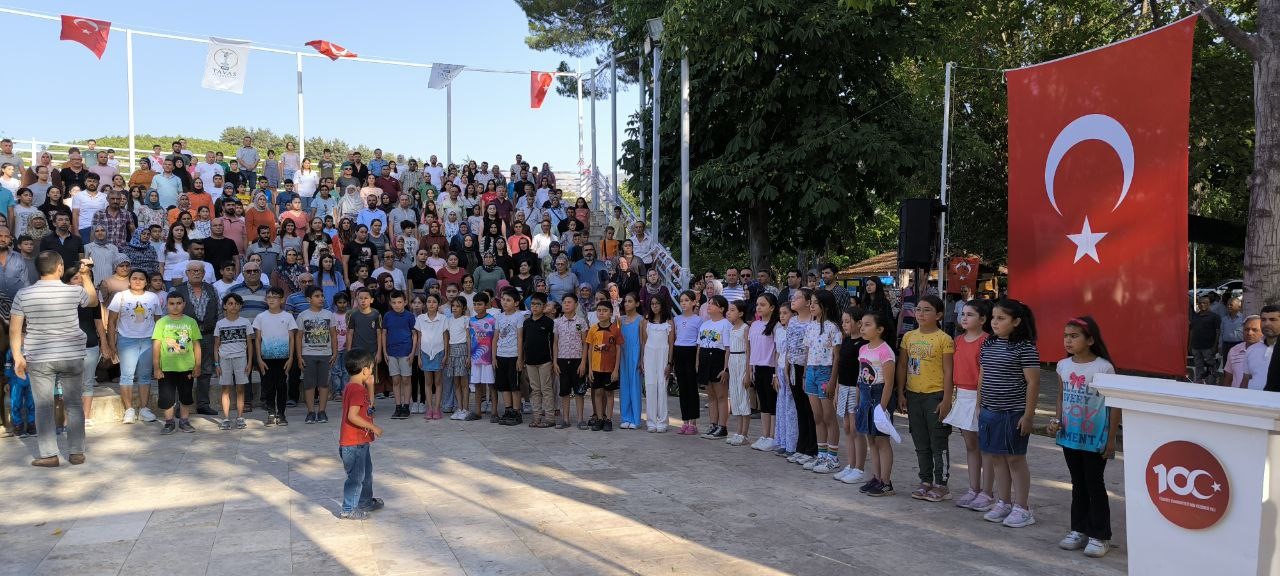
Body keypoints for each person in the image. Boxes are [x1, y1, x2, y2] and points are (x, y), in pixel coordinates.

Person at [11, 250, 99, 466]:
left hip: (39, 356)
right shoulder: (73, 291)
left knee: (43, 406)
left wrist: (17, 356)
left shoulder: (23, 294)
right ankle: (77, 452)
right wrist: (86, 275)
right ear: (60, 268)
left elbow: (15, 330)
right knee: (74, 405)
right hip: (71, 355)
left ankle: (49, 455)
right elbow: (93, 301)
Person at [1048, 316, 1118, 558]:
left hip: (1094, 438)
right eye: (1066, 335)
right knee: (1077, 483)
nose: (1068, 340)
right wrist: (1056, 422)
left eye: (1074, 335)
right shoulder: (1063, 366)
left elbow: (1113, 405)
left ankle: (1100, 535)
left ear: (1090, 340)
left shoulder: (1103, 367)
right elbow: (1060, 397)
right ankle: (1078, 529)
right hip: (1070, 436)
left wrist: (1111, 441)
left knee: (1094, 484)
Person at [975, 299, 1040, 528]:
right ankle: (1003, 502)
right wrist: (979, 404)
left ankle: (1022, 507)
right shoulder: (988, 345)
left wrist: (1029, 415)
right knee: (995, 457)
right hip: (989, 412)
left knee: (1015, 459)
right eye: (993, 317)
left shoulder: (1025, 347)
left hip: (1013, 413)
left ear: (1016, 321)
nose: (995, 322)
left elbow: (1032, 383)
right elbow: (982, 375)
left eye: (1001, 318)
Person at [897, 294, 954, 500]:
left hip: (935, 395)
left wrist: (947, 399)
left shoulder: (944, 339)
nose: (921, 313)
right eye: (918, 309)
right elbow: (903, 365)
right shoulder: (909, 337)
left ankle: (941, 484)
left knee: (938, 441)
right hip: (913, 396)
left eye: (927, 310)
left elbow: (949, 372)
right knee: (920, 441)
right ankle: (925, 480)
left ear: (938, 314)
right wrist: (901, 392)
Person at [946, 299, 993, 509]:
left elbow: (985, 373)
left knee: (986, 447)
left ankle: (987, 492)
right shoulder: (957, 341)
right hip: (963, 395)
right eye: (963, 314)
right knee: (970, 445)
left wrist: (981, 401)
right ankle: (973, 488)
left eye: (970, 314)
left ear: (982, 319)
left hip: (980, 396)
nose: (964, 318)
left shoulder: (987, 341)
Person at [107, 269, 162, 424]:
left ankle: (144, 409)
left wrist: (160, 342)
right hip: (126, 340)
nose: (138, 281)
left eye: (141, 279)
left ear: (146, 282)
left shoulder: (153, 297)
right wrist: (112, 344)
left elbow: (158, 321)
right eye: (134, 278)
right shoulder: (121, 296)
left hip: (148, 340)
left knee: (144, 376)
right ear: (129, 281)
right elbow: (111, 322)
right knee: (127, 375)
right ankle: (129, 410)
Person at [854, 309, 897, 496]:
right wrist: (858, 402)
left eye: (867, 325)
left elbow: (889, 383)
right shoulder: (863, 349)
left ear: (879, 329)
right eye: (861, 324)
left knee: (882, 440)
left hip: (879, 397)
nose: (862, 328)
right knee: (870, 439)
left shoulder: (885, 351)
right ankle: (876, 477)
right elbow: (860, 377)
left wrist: (883, 407)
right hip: (865, 396)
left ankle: (886, 482)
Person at [337, 349, 384, 520]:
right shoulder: (355, 390)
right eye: (371, 368)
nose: (371, 371)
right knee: (356, 478)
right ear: (365, 370)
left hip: (360, 443)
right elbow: (352, 416)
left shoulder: (355, 387)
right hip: (353, 444)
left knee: (366, 473)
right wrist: (374, 428)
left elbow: (369, 407)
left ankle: (365, 501)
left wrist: (371, 386)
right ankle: (348, 509)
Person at [151, 291, 201, 435]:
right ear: (166, 305)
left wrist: (197, 365)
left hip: (186, 367)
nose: (175, 306)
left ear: (184, 304)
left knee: (186, 396)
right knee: (167, 397)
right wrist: (156, 367)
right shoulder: (161, 322)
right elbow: (156, 346)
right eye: (172, 304)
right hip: (166, 368)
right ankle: (169, 422)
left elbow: (196, 345)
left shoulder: (191, 322)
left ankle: (184, 421)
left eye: (179, 303)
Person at [254, 287, 298, 427]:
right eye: (269, 297)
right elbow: (257, 339)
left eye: (275, 296)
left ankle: (282, 414)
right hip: (266, 359)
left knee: (281, 386)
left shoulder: (288, 317)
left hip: (284, 359)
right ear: (265, 299)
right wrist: (259, 359)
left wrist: (291, 358)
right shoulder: (261, 317)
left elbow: (291, 339)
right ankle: (271, 413)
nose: (271, 299)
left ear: (282, 299)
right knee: (268, 386)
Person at [297, 286, 337, 424]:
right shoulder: (303, 316)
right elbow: (299, 337)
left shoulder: (329, 314)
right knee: (309, 384)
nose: (321, 298)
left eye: (322, 296)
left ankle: (322, 411)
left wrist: (335, 352)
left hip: (325, 354)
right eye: (317, 296)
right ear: (309, 299)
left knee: (324, 384)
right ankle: (310, 412)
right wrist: (299, 356)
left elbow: (333, 335)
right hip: (308, 354)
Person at [213, 293, 252, 430]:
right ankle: (226, 418)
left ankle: (240, 417)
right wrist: (216, 364)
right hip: (224, 359)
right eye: (230, 303)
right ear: (225, 306)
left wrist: (249, 362)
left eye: (236, 303)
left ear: (240, 306)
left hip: (241, 358)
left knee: (240, 388)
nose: (233, 306)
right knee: (225, 389)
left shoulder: (245, 322)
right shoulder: (220, 324)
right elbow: (216, 345)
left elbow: (250, 344)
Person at [696, 296, 732, 439]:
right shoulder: (705, 324)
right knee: (710, 396)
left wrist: (726, 369)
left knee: (721, 395)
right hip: (705, 359)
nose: (709, 305)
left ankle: (723, 427)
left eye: (713, 304)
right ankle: (713, 424)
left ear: (722, 309)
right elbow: (699, 346)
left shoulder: (725, 324)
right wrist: (698, 363)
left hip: (718, 359)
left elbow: (728, 348)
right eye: (709, 303)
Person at [519, 292, 557, 428]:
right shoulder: (527, 323)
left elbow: (553, 343)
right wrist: (522, 359)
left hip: (545, 361)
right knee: (534, 390)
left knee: (546, 389)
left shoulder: (549, 322)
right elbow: (523, 342)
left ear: (544, 306)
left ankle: (550, 418)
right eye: (533, 304)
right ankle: (536, 418)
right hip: (530, 361)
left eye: (538, 304)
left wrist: (554, 361)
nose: (534, 307)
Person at [583, 300, 622, 432]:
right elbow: (589, 349)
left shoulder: (615, 330)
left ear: (610, 313)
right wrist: (590, 369)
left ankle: (608, 419)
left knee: (609, 393)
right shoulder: (593, 329)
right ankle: (599, 419)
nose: (601, 313)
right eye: (599, 311)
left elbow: (618, 349)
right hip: (596, 368)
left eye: (605, 311)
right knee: (598, 393)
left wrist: (616, 369)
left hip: (610, 369)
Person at [747, 294, 780, 449]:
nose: (759, 307)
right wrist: (751, 368)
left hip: (770, 369)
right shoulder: (754, 325)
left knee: (772, 402)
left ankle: (773, 436)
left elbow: (776, 351)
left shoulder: (776, 326)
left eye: (763, 304)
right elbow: (752, 348)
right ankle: (765, 434)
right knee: (763, 404)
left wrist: (775, 373)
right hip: (758, 368)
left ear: (772, 307)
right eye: (757, 304)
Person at [554, 293, 588, 429]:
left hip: (577, 360)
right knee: (564, 391)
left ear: (576, 305)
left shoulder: (580, 322)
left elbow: (584, 342)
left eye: (569, 302)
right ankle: (565, 419)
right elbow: (555, 343)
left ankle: (580, 419)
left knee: (579, 391)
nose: (566, 304)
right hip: (562, 360)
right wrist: (555, 362)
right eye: (564, 302)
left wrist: (583, 362)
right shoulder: (557, 322)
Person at [673, 291, 704, 435]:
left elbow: (699, 342)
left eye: (686, 300)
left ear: (693, 302)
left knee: (692, 388)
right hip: (679, 351)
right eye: (681, 300)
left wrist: (697, 360)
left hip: (691, 351)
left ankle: (693, 422)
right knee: (683, 388)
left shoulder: (698, 320)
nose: (684, 303)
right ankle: (685, 421)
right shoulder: (677, 319)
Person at [722, 299, 753, 445]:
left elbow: (748, 351)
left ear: (740, 313)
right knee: (734, 396)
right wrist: (725, 368)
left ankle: (744, 434)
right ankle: (738, 432)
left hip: (742, 361)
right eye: (729, 309)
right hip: (733, 362)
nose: (729, 312)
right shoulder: (731, 328)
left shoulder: (745, 328)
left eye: (732, 310)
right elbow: (728, 351)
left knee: (743, 397)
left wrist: (748, 372)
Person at [382, 290, 415, 419]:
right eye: (394, 302)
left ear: (405, 302)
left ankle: (406, 406)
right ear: (390, 303)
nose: (397, 305)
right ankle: (398, 406)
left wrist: (412, 352)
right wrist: (384, 352)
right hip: (391, 352)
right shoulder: (387, 316)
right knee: (395, 380)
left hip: (406, 352)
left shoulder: (409, 316)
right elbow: (384, 334)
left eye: (399, 302)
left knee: (406, 379)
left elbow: (414, 334)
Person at [616, 293, 645, 430]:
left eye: (630, 301)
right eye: (625, 301)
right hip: (623, 354)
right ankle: (625, 417)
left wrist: (641, 359)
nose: (627, 304)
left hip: (635, 353)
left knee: (635, 386)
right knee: (624, 386)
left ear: (637, 304)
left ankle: (635, 418)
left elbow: (642, 341)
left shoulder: (641, 320)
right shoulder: (620, 320)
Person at [1240, 305, 1280, 391]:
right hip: (1252, 402)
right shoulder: (1251, 349)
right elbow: (1246, 380)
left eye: (1272, 320)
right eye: (1263, 319)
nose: (1267, 323)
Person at [1223, 315, 1262, 388]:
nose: (1249, 333)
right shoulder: (1234, 350)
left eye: (1255, 330)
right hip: (1236, 397)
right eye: (1246, 329)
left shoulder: (1268, 351)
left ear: (1262, 332)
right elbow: (1228, 379)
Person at [1189, 296, 1220, 384]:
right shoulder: (1195, 316)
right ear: (1198, 304)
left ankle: (1211, 383)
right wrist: (1190, 345)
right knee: (1198, 366)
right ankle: (1199, 383)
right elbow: (1192, 331)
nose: (1202, 305)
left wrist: (1215, 346)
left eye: (1205, 303)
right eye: (1200, 303)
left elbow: (1218, 332)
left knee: (1210, 366)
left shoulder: (1215, 317)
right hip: (1196, 346)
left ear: (1209, 304)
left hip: (1208, 347)